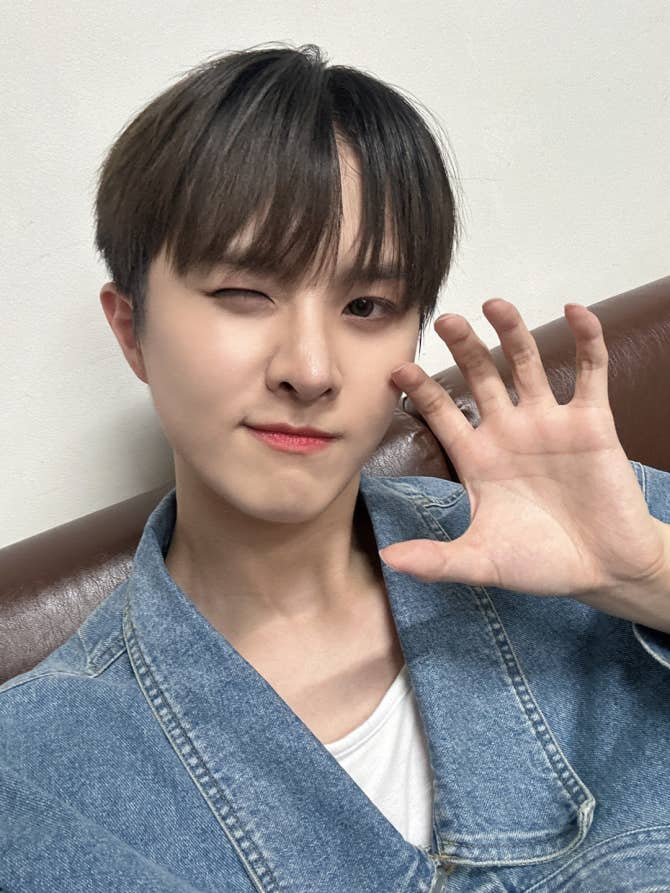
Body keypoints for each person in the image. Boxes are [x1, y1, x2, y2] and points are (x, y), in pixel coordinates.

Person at [1, 42, 669, 893]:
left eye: (366, 305)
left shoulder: (593, 535)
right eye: (244, 293)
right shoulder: (38, 778)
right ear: (132, 330)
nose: (310, 369)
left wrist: (647, 577)